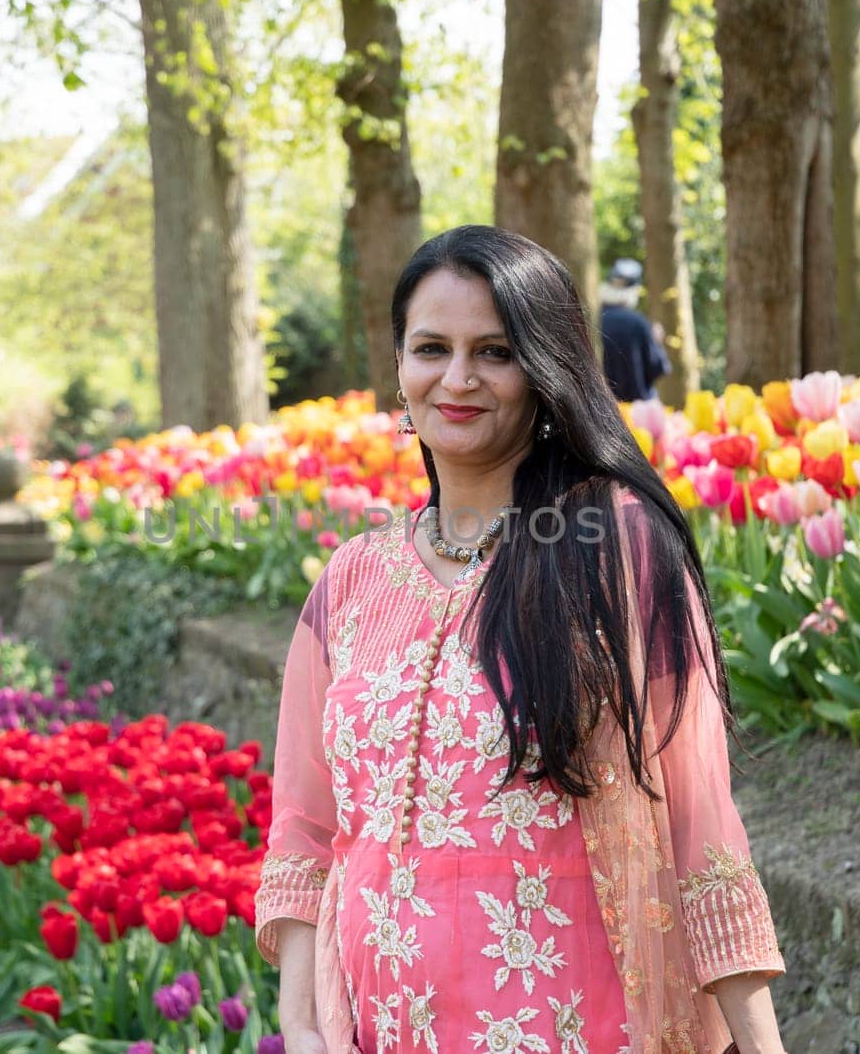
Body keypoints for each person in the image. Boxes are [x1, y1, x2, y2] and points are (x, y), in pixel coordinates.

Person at [256, 226, 785, 1054]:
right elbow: (304, 829)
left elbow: (700, 821)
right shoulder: (351, 582)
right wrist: (302, 1026)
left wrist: (762, 1046)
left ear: (543, 370)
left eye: (494, 351)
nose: (457, 378)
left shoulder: (617, 546)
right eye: (432, 347)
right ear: (399, 368)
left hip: (581, 1026)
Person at [600, 257, 672, 402]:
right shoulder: (638, 323)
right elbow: (658, 368)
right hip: (638, 411)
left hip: (604, 409)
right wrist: (656, 343)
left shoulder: (595, 319)